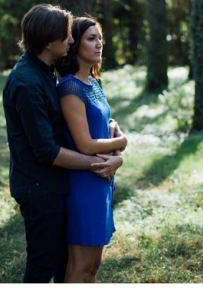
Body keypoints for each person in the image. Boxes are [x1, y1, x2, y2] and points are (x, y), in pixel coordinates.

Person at [3, 4, 123, 283]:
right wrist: (100, 164)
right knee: (42, 269)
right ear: (48, 41)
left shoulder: (45, 72)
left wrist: (112, 141)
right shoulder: (27, 82)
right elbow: (46, 150)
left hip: (56, 184)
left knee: (61, 266)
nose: (71, 40)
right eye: (66, 35)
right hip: (39, 188)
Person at [55, 16, 127, 283]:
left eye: (100, 39)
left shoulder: (93, 83)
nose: (99, 45)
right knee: (80, 267)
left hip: (102, 183)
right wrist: (122, 143)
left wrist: (117, 159)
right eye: (91, 38)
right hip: (83, 186)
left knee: (93, 267)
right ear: (75, 44)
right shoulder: (70, 87)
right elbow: (85, 144)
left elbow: (104, 125)